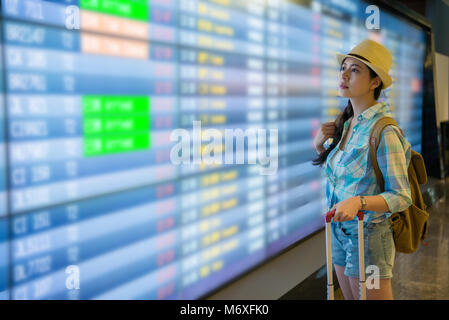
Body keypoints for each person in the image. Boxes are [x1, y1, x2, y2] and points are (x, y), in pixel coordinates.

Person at [312, 39, 413, 300]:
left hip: (367, 236)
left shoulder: (384, 131)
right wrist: (321, 149)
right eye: (343, 67)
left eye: (355, 70)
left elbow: (402, 196)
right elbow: (342, 177)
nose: (343, 74)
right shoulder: (346, 124)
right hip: (338, 230)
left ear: (374, 82)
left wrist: (359, 202)